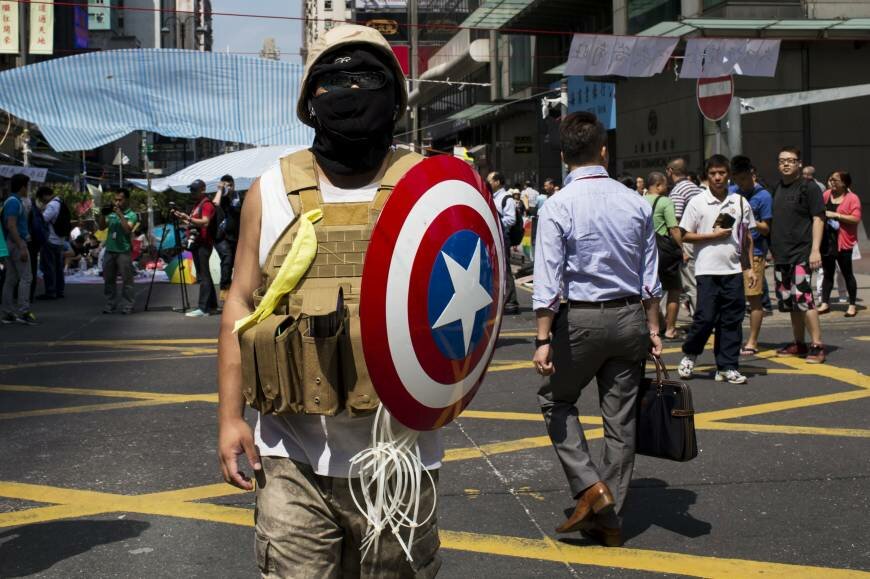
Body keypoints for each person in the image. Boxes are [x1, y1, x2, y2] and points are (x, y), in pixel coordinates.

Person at [217, 24, 443, 577]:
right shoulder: (271, 189)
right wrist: (230, 418)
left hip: (400, 458)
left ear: (395, 98)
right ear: (309, 101)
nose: (352, 92)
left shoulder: (430, 188)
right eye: (335, 82)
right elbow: (240, 302)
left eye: (369, 80)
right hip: (290, 456)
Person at [532, 111, 662, 548]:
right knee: (620, 420)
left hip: (581, 320)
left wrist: (542, 339)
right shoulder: (636, 202)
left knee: (555, 399)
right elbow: (649, 276)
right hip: (629, 318)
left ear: (564, 155)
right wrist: (654, 328)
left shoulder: (557, 205)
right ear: (604, 151)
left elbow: (548, 281)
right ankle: (610, 517)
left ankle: (591, 488)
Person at [677, 155, 757, 384]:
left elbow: (746, 237)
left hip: (732, 270)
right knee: (705, 317)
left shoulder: (739, 202)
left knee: (731, 320)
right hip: (706, 270)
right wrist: (711, 236)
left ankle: (727, 366)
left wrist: (749, 268)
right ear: (707, 176)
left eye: (722, 173)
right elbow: (684, 234)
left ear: (728, 175)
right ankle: (690, 354)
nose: (718, 177)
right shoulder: (697, 202)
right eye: (713, 173)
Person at [771, 147, 826, 363]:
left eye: (791, 160)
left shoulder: (808, 187)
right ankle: (799, 343)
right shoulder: (777, 188)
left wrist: (815, 250)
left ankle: (817, 345)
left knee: (804, 299)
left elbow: (818, 218)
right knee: (791, 302)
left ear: (799, 163)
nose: (786, 164)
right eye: (782, 160)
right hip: (781, 255)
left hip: (801, 253)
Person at [730, 156, 773, 356]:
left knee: (754, 298)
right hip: (732, 252)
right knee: (734, 299)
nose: (742, 183)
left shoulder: (763, 196)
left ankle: (753, 341)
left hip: (754, 253)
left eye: (745, 179)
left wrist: (750, 219)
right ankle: (734, 338)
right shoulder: (733, 192)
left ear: (752, 175)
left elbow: (766, 228)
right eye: (738, 179)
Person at [644, 171, 682, 340]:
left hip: (646, 251)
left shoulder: (639, 200)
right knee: (674, 289)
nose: (667, 187)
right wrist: (682, 248)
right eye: (665, 184)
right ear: (658, 185)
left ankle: (657, 324)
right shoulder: (665, 201)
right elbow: (673, 228)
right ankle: (670, 329)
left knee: (651, 290)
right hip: (664, 251)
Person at [819, 170, 861, 317]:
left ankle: (852, 305)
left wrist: (837, 215)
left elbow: (856, 218)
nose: (831, 182)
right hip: (827, 241)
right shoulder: (826, 195)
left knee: (847, 273)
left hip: (843, 242)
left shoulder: (852, 198)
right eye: (831, 179)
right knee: (827, 273)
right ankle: (825, 303)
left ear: (844, 183)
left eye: (835, 180)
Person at [173, 179, 217, 317]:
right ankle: (212, 306)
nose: (192, 192)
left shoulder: (206, 204)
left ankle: (203, 308)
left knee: (203, 276)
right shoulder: (198, 204)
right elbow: (194, 222)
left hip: (203, 243)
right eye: (191, 189)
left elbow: (205, 222)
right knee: (205, 275)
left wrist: (188, 218)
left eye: (194, 190)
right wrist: (183, 217)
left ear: (203, 189)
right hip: (198, 243)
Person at [667, 157, 702, 315]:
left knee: (691, 285)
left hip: (687, 241)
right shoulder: (696, 188)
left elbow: (675, 224)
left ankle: (701, 319)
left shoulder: (677, 191)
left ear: (670, 171)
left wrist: (681, 249)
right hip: (700, 238)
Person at [1, 174, 37, 325]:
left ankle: (8, 312)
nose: (28, 189)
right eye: (27, 186)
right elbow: (11, 225)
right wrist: (21, 246)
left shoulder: (11, 201)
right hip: (16, 242)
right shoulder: (14, 202)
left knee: (11, 278)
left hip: (11, 243)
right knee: (26, 277)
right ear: (23, 187)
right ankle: (23, 311)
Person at [96, 188, 137, 315]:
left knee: (127, 280)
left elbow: (127, 230)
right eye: (116, 199)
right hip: (110, 250)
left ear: (127, 200)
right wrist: (103, 213)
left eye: (120, 200)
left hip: (123, 251)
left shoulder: (132, 215)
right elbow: (101, 227)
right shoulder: (111, 213)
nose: (117, 202)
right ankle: (110, 304)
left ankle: (128, 305)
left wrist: (120, 215)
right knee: (109, 279)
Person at [488, 171, 520, 315]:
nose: (487, 183)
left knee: (505, 269)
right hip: (496, 237)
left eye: (490, 180)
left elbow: (511, 219)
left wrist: (496, 223)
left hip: (503, 238)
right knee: (498, 269)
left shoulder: (506, 198)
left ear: (497, 182)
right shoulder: (494, 197)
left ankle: (511, 302)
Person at [213, 174, 243, 304]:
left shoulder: (239, 197)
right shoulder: (221, 198)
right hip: (222, 237)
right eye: (226, 185)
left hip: (236, 236)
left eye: (230, 185)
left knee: (237, 263)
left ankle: (236, 290)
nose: (229, 188)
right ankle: (225, 289)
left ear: (234, 185)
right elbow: (215, 204)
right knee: (227, 259)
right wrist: (220, 190)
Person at [36, 186, 67, 300]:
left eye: (41, 199)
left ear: (45, 195)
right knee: (58, 267)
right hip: (60, 240)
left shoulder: (52, 205)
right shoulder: (61, 202)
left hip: (51, 239)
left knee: (49, 267)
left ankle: (51, 291)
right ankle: (59, 290)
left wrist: (40, 211)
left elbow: (43, 220)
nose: (42, 201)